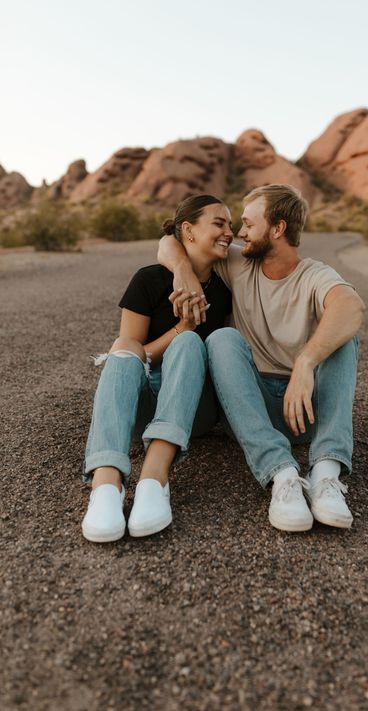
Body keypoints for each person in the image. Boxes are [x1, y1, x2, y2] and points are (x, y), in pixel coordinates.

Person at [158, 184, 366, 533]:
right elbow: (169, 241)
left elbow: (351, 305)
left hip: (305, 410)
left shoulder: (315, 274)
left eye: (248, 224)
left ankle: (326, 473)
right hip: (252, 409)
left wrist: (305, 363)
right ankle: (282, 475)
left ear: (277, 228)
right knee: (223, 339)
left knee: (344, 337)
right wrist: (182, 270)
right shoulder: (239, 264)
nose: (239, 233)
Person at [81, 194, 233, 543]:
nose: (229, 231)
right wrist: (183, 328)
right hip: (143, 405)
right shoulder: (148, 280)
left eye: (231, 224)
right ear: (188, 230)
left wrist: (188, 338)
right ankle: (107, 485)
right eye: (219, 223)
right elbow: (134, 356)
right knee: (123, 346)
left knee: (192, 346)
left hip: (195, 408)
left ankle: (155, 478)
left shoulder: (225, 291)